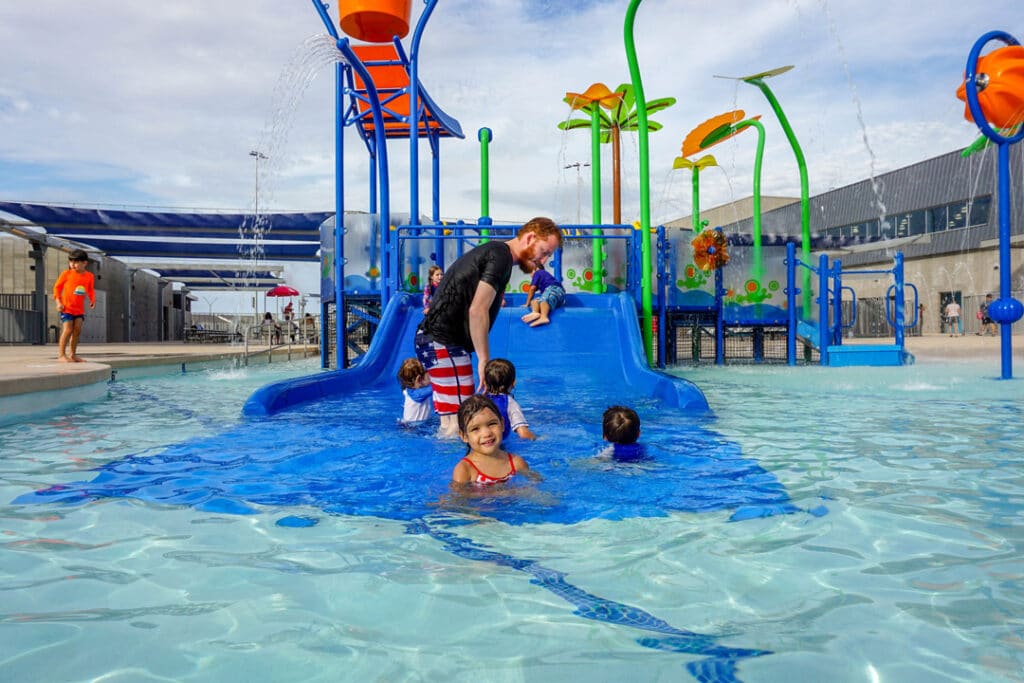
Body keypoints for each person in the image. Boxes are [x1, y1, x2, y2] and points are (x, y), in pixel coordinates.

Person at [414, 217, 563, 437]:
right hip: (444, 343)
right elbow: (477, 310)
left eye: (548, 255)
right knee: (463, 423)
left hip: (433, 341)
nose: (544, 259)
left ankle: (451, 468)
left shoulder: (494, 253)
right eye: (544, 251)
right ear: (530, 237)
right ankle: (460, 470)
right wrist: (484, 359)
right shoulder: (501, 256)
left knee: (449, 422)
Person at [451, 394, 531, 486]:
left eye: (492, 424)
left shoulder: (516, 463)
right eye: (475, 429)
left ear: (502, 424)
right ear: (464, 436)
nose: (487, 433)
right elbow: (458, 499)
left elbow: (536, 488)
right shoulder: (465, 470)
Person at [52, 249, 96, 363]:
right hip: (66, 308)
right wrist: (58, 302)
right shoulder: (66, 274)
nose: (72, 264)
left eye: (76, 262)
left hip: (79, 309)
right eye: (71, 261)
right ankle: (61, 355)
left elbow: (90, 290)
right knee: (68, 329)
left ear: (84, 263)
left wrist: (92, 300)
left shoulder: (89, 276)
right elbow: (57, 288)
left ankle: (73, 355)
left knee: (77, 330)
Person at [483, 358, 537, 440]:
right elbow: (523, 433)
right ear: (514, 382)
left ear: (484, 383)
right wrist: (537, 438)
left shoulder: (478, 401)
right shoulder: (510, 404)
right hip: (499, 447)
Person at [396, 357, 432, 424]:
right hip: (414, 427)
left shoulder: (408, 390)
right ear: (419, 379)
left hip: (409, 424)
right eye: (429, 374)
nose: (432, 376)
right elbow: (437, 386)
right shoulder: (418, 394)